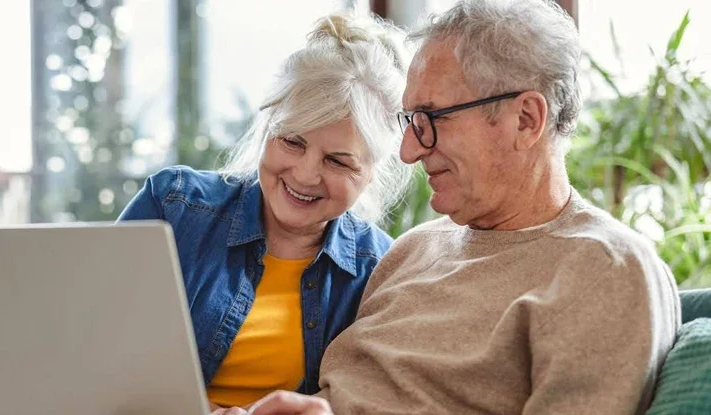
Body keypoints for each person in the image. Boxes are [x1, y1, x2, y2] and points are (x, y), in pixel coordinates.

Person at [243, 1, 682, 414]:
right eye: (409, 121)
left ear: (526, 119)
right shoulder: (413, 249)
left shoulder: (604, 269)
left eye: (431, 119)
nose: (410, 152)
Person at [117, 10, 413, 413]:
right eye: (292, 141)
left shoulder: (380, 269)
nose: (305, 175)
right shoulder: (172, 206)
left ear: (372, 172)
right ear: (268, 126)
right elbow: (96, 347)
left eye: (337, 161)